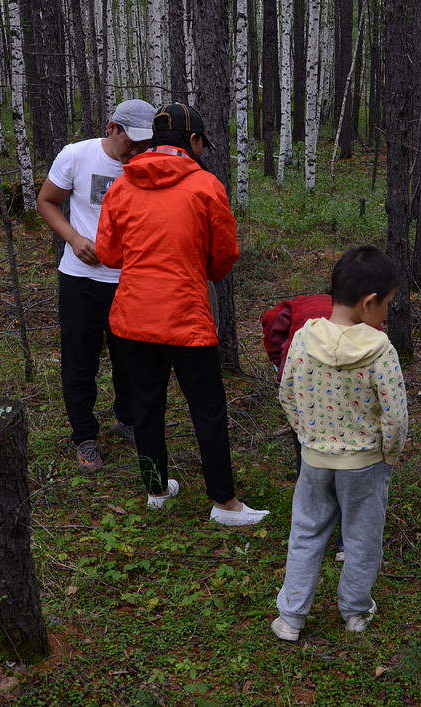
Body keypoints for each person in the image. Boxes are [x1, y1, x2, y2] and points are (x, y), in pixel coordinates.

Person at [95, 102, 268, 525]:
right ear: (192, 140)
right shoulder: (206, 186)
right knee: (207, 408)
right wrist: (197, 270)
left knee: (145, 405)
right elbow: (223, 256)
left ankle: (156, 490)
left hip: (133, 317)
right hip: (186, 317)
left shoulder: (122, 185)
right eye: (202, 143)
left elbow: (108, 253)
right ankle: (224, 504)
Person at [271, 246, 408, 641]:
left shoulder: (302, 340)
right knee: (363, 538)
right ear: (369, 303)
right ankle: (355, 611)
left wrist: (306, 435)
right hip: (365, 464)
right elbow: (395, 415)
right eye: (387, 305)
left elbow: (286, 393)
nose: (386, 314)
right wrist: (388, 455)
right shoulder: (380, 351)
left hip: (314, 460)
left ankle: (291, 618)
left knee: (307, 533)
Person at [38, 99, 156, 470]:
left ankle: (127, 419)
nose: (136, 151)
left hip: (131, 279)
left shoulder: (149, 164)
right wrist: (73, 239)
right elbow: (46, 201)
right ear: (112, 128)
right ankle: (85, 436)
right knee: (80, 361)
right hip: (81, 279)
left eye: (144, 143)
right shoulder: (76, 156)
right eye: (130, 142)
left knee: (130, 358)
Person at [262, 292, 345, 560]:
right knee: (348, 460)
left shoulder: (297, 304)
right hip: (347, 390)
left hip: (303, 386)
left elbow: (272, 320)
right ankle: (344, 543)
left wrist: (279, 360)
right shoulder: (360, 306)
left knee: (306, 453)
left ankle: (310, 531)